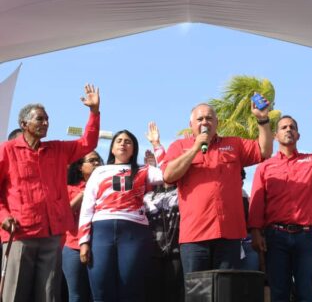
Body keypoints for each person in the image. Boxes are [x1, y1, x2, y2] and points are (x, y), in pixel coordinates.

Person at [0, 84, 100, 302]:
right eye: (40, 119)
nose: (45, 123)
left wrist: (93, 112)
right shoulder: (7, 150)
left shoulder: (57, 149)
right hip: (20, 233)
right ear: (23, 124)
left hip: (52, 233)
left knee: (48, 295)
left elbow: (87, 142)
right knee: (15, 293)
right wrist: (3, 216)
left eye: (47, 119)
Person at [162, 96, 273, 273]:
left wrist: (262, 119)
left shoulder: (234, 144)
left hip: (229, 233)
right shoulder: (179, 146)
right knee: (197, 293)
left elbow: (264, 151)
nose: (205, 122)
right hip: (194, 235)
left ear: (217, 123)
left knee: (225, 292)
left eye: (209, 118)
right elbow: (168, 175)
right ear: (191, 124)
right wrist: (195, 149)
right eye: (200, 119)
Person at [249, 109, 312, 302]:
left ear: (298, 135)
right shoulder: (265, 166)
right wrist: (255, 232)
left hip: (307, 237)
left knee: (307, 292)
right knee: (279, 292)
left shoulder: (311, 160)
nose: (288, 130)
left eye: (292, 127)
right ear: (275, 136)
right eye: (284, 127)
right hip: (275, 237)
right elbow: (257, 201)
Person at [78, 129, 166, 302]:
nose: (123, 144)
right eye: (119, 141)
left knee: (130, 289)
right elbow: (87, 207)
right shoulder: (99, 172)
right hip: (101, 232)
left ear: (134, 149)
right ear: (111, 148)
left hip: (134, 233)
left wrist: (156, 145)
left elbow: (167, 174)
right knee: (100, 287)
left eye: (128, 141)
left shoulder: (144, 170)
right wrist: (84, 241)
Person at [143, 122, 184, 302]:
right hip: (152, 253)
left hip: (177, 252)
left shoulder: (182, 193)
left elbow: (168, 166)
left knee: (176, 294)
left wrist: (157, 145)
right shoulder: (147, 196)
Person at [62, 151, 103, 302]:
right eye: (92, 161)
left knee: (97, 293)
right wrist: (84, 193)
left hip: (99, 246)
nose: (97, 163)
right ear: (80, 166)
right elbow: (65, 213)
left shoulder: (105, 187)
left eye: (98, 160)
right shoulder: (69, 188)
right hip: (73, 246)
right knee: (76, 294)